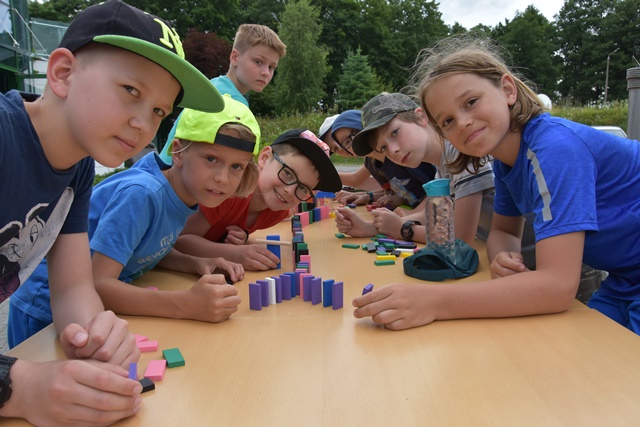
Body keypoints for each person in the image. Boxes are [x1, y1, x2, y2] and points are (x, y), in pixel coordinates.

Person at [0, 0, 224, 424]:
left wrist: (95, 332)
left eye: (158, 111)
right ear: (62, 73)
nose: (144, 124)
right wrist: (17, 385)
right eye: (131, 91)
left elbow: (72, 288)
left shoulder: (78, 168)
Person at [352, 36, 640, 333]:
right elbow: (504, 231)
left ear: (507, 90)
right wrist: (503, 255)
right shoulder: (506, 163)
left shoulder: (555, 149)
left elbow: (558, 285)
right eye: (447, 121)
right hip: (624, 282)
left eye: (471, 102)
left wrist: (434, 301)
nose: (462, 122)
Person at [9, 97, 260, 346]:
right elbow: (98, 284)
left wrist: (196, 263)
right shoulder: (142, 194)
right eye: (211, 159)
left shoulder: (182, 192)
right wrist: (186, 304)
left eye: (236, 166)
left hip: (91, 311)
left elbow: (148, 248)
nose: (222, 178)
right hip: (46, 311)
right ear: (179, 151)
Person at [174, 129, 342, 270]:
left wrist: (243, 236)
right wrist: (235, 254)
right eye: (287, 173)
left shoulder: (277, 212)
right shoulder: (231, 190)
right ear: (264, 158)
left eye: (303, 189)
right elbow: (178, 240)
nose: (290, 191)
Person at [338, 92, 493, 245]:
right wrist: (371, 227)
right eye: (383, 148)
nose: (393, 150)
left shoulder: (461, 155)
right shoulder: (443, 167)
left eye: (395, 132)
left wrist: (402, 230)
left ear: (420, 117)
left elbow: (460, 237)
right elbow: (429, 216)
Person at [159, 24, 287, 164]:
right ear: (235, 58)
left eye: (271, 67)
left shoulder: (214, 86)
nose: (266, 73)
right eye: (258, 62)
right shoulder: (229, 102)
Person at [330, 109, 436, 211]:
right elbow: (396, 192)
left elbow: (437, 189)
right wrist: (368, 196)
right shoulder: (372, 163)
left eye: (357, 131)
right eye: (347, 142)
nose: (355, 139)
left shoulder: (401, 154)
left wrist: (414, 214)